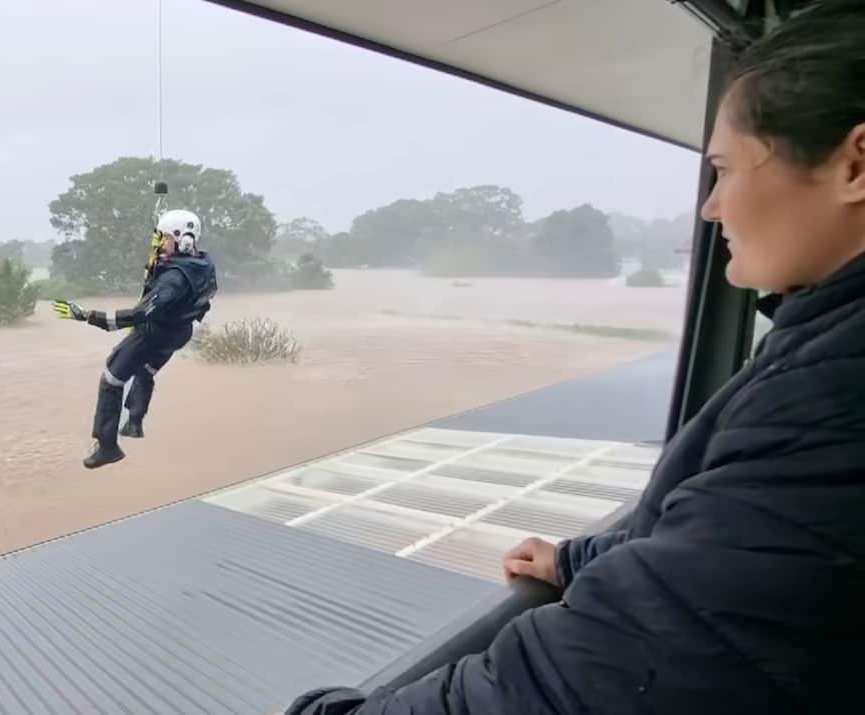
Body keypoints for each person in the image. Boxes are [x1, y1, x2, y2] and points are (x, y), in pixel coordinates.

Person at [287, 2, 865, 713]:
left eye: (722, 169)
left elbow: (603, 674)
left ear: (855, 164)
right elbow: (744, 561)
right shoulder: (824, 349)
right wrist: (580, 558)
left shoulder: (835, 392)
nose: (711, 208)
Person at [53, 209, 217, 469]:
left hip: (153, 333)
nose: (160, 244)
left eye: (164, 239)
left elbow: (139, 314)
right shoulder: (202, 264)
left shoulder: (173, 281)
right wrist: (158, 262)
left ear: (183, 239)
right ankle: (134, 422)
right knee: (145, 370)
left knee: (112, 377)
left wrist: (86, 316)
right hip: (179, 333)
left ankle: (107, 447)